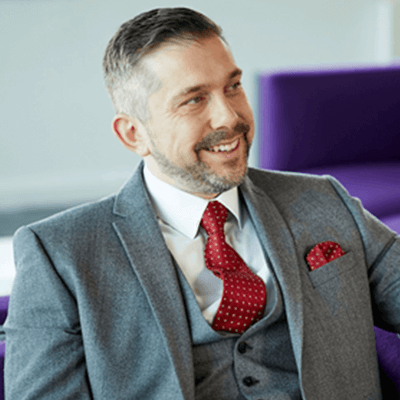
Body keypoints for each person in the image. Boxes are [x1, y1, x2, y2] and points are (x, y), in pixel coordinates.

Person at [4, 7, 400, 400]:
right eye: (194, 100)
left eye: (233, 86)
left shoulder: (322, 201)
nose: (229, 116)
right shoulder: (59, 254)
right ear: (133, 134)